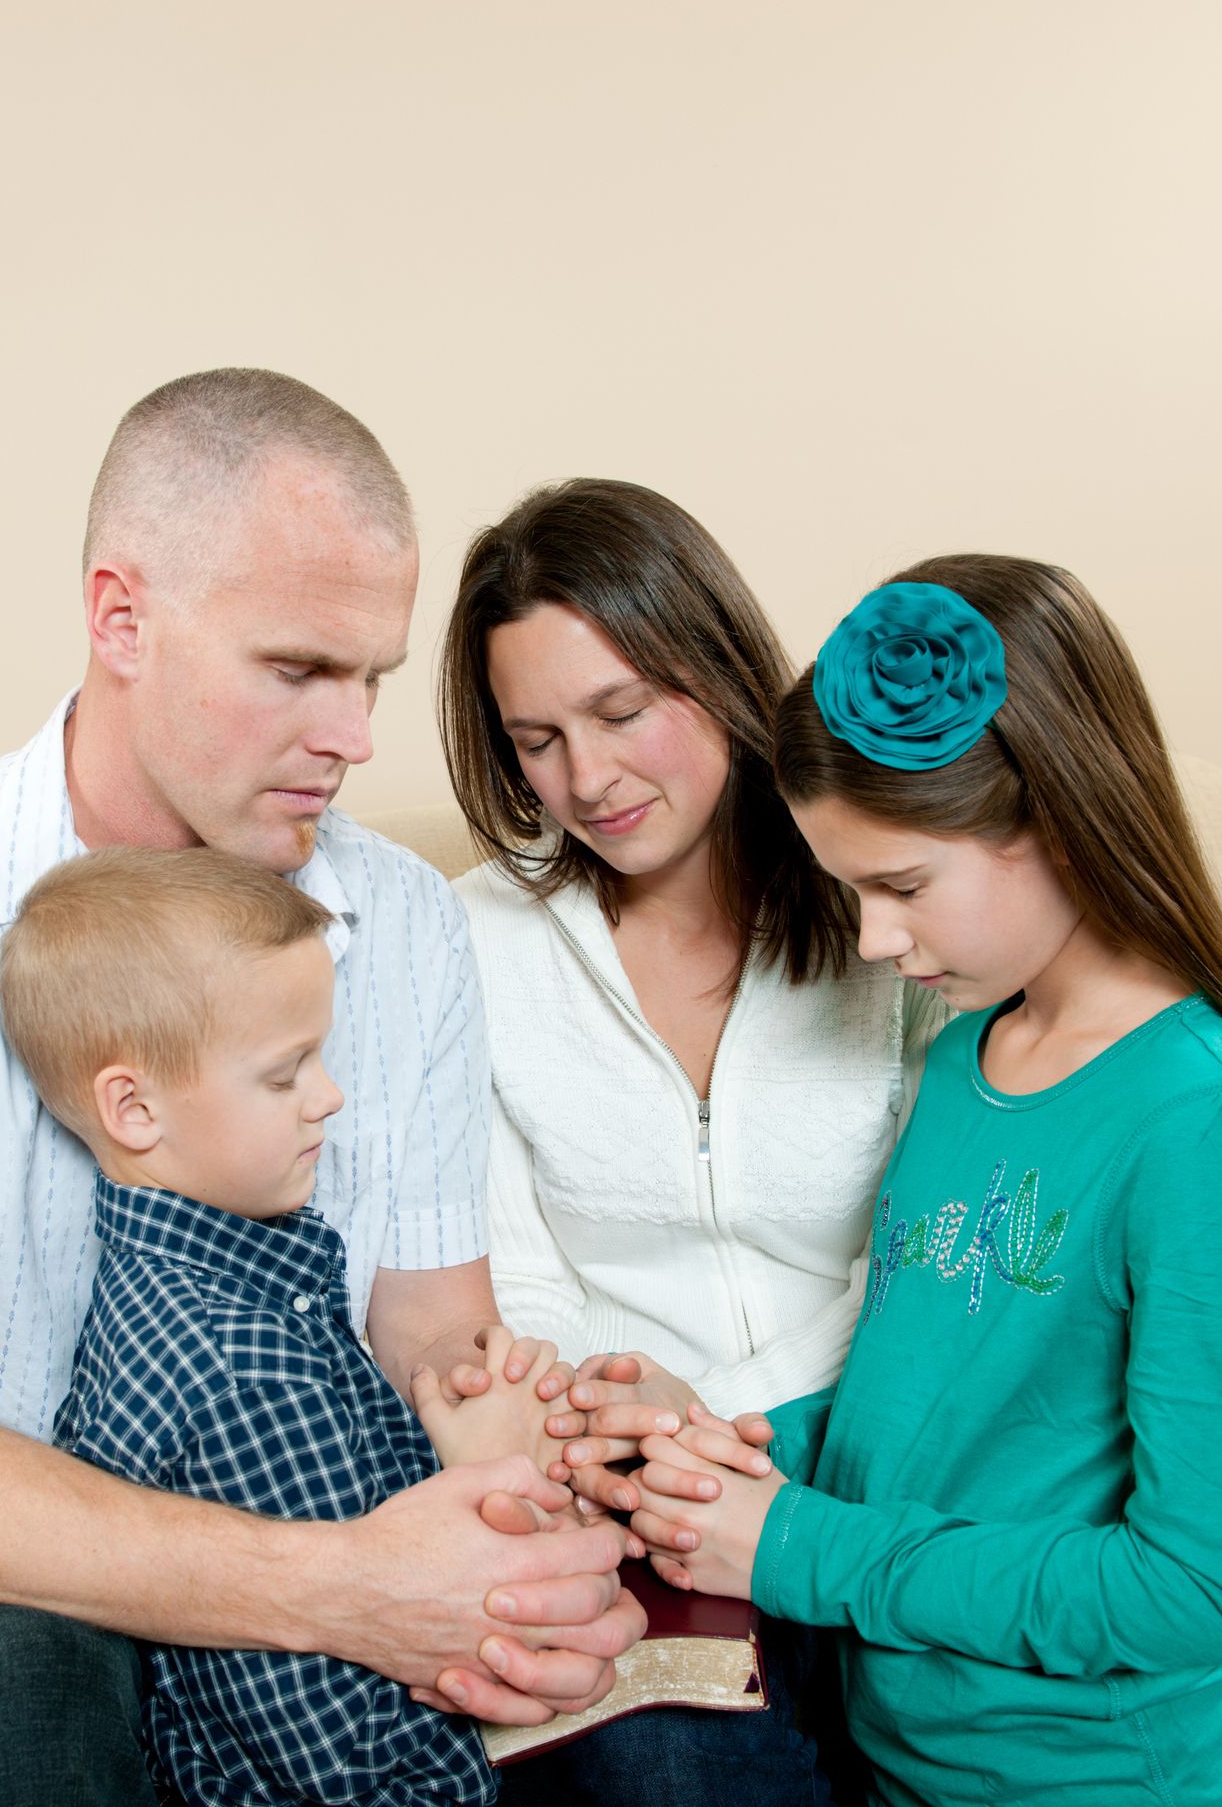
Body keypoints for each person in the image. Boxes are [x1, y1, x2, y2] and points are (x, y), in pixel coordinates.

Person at [0, 370, 641, 1805]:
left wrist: (519, 1518)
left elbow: (437, 1338)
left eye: (371, 677)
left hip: (317, 1485)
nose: (354, 736)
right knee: (22, 1701)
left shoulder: (405, 924)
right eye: (297, 669)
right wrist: (347, 1592)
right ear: (120, 616)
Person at [630, 557, 1222, 1807]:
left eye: (900, 885)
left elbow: (1203, 1594)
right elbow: (942, 1406)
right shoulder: (965, 1057)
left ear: (1056, 820)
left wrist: (798, 1544)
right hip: (916, 1765)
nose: (871, 941)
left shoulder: (1206, 1117)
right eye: (849, 889)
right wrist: (738, 1451)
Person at [436, 478, 941, 1802]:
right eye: (535, 737)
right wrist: (622, 1420)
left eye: (620, 712)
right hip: (628, 1494)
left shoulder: (883, 897)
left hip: (870, 1450)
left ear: (717, 669)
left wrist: (729, 1420)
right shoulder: (469, 940)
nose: (586, 780)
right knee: (667, 1771)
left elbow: (934, 1232)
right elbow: (508, 1264)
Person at [0, 844, 574, 1805]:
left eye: (323, 1056)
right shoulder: (244, 1372)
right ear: (133, 1108)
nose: (330, 1096)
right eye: (285, 1073)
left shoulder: (213, 1290)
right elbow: (340, 1760)